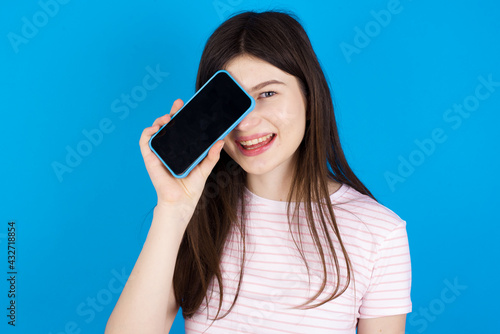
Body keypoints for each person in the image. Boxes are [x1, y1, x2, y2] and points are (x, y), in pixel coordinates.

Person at [105, 10, 412, 334]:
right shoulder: (195, 215)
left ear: (309, 96)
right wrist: (172, 209)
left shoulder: (379, 233)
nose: (246, 121)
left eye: (267, 93)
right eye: (233, 102)